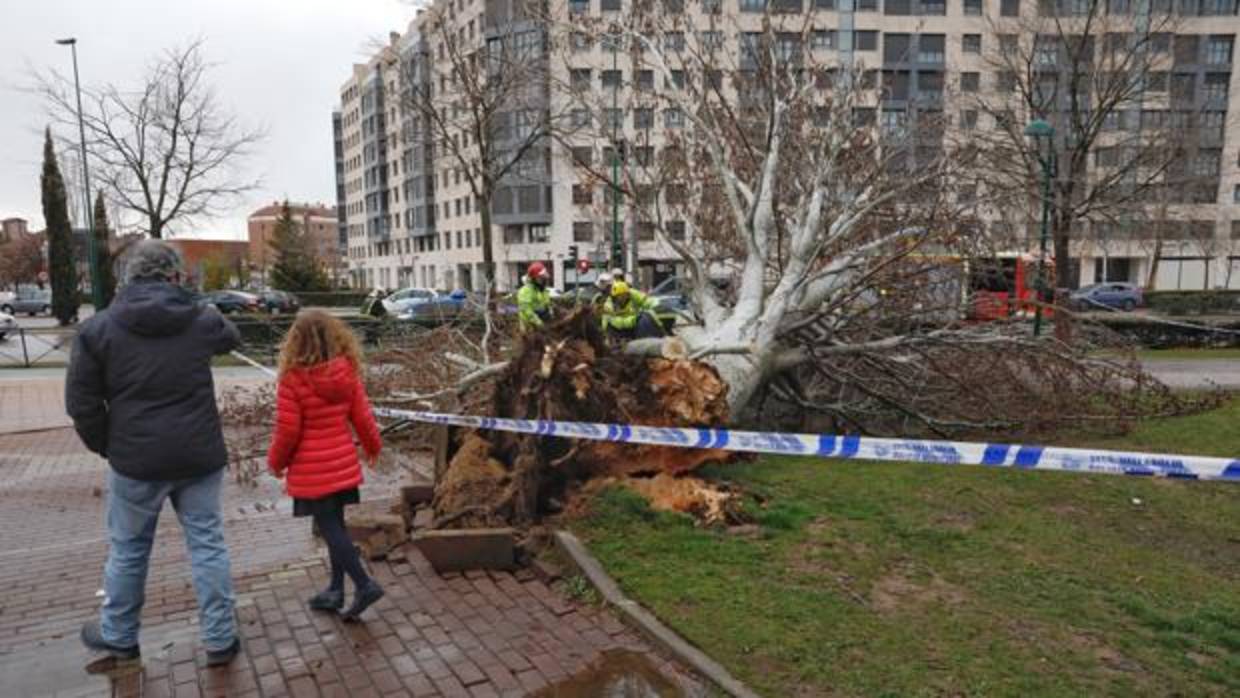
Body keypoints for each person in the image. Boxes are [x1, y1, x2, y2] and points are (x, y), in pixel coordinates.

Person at [66, 239, 242, 666]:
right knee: (208, 545)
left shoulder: (98, 329)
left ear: (129, 276)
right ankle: (220, 638)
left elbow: (82, 404)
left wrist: (108, 444)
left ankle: (120, 637)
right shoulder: (200, 319)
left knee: (128, 549)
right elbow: (232, 337)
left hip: (135, 460)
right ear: (173, 275)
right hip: (198, 456)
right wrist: (200, 304)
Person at [267, 310, 385, 621]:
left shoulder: (293, 379)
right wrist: (373, 448)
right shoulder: (347, 373)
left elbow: (288, 431)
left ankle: (363, 584)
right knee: (337, 527)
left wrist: (276, 462)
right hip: (342, 464)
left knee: (330, 528)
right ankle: (335, 589)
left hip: (313, 470)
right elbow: (363, 418)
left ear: (295, 340)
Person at [517, 262, 553, 332]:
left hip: (540, 322)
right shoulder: (525, 291)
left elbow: (547, 303)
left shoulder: (542, 289)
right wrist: (538, 323)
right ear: (534, 278)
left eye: (544, 278)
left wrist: (550, 312)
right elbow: (526, 310)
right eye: (541, 278)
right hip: (529, 327)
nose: (544, 280)